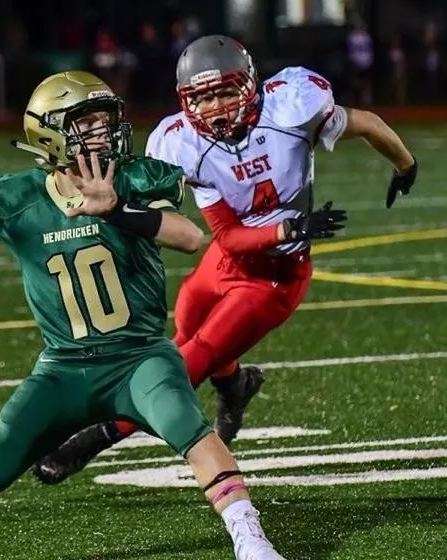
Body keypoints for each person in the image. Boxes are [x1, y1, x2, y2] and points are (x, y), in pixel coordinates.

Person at [0, 70, 288, 560]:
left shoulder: (132, 178)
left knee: (189, 430)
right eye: (87, 124)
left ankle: (251, 540)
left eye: (106, 122)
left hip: (139, 358)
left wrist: (114, 211)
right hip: (63, 368)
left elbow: (190, 238)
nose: (103, 133)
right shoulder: (19, 198)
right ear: (50, 133)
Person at [33, 35, 418, 485]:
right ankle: (236, 387)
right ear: (185, 101)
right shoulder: (181, 142)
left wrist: (406, 165)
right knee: (186, 326)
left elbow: (367, 123)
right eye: (203, 97)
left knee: (186, 363)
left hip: (275, 277)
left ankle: (91, 441)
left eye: (225, 92)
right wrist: (290, 226)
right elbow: (230, 239)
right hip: (227, 257)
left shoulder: (290, 109)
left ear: (251, 85)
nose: (215, 107)